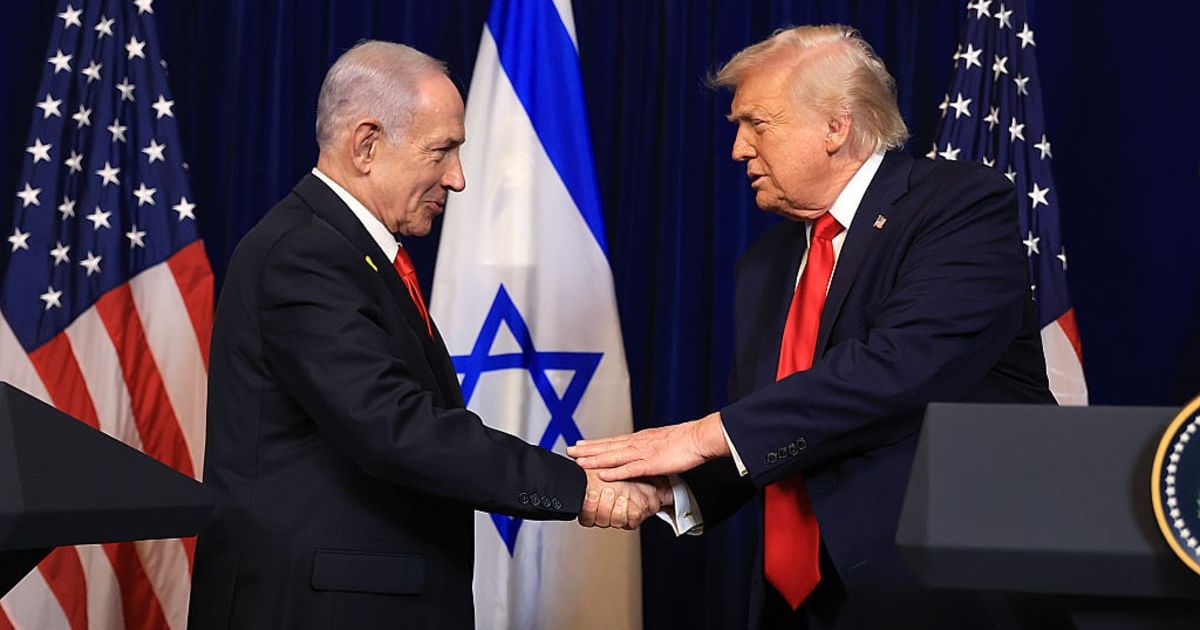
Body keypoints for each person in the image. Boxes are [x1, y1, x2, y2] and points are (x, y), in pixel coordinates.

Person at [570, 25, 1059, 629]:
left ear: (836, 125)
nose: (738, 150)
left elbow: (900, 365)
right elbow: (776, 421)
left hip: (942, 595)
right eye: (737, 129)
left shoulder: (960, 207)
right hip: (797, 603)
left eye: (758, 124)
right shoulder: (766, 264)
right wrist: (676, 491)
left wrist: (701, 435)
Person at [188, 41, 667, 630]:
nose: (458, 179)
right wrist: (579, 488)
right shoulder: (304, 253)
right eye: (442, 151)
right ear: (366, 145)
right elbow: (394, 427)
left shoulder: (348, 252)